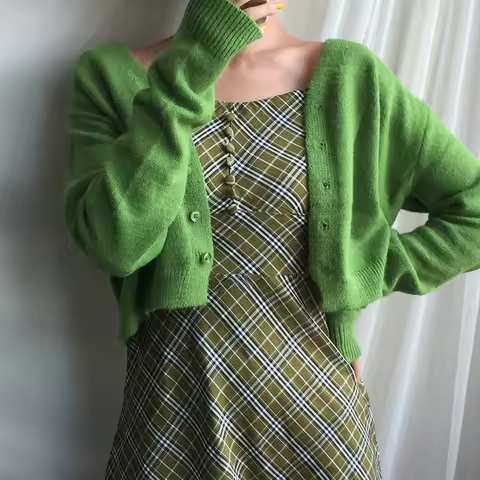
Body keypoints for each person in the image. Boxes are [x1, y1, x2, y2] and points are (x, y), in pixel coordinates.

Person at [65, 0, 480, 478]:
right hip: (171, 425)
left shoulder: (352, 78)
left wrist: (363, 270)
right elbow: (116, 245)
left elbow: (471, 208)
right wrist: (195, 58)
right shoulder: (110, 78)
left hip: (317, 424)